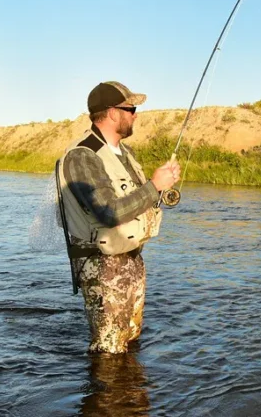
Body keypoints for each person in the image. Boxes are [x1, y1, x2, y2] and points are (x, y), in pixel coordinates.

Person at [55, 81, 181, 354]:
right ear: (113, 113)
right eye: (131, 108)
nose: (135, 115)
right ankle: (105, 397)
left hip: (131, 258)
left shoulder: (126, 154)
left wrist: (162, 188)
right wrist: (154, 186)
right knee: (108, 350)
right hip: (101, 266)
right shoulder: (82, 156)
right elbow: (109, 212)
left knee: (130, 340)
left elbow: (135, 202)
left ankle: (131, 396)